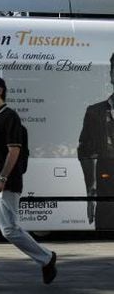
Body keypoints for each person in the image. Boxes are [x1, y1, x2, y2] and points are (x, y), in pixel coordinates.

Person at [0, 76, 56, 290]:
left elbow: (14, 151)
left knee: (10, 230)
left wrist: (2, 178)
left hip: (4, 184)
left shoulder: (10, 117)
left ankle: (47, 258)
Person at [78, 53, 114, 230]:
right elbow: (85, 150)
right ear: (111, 75)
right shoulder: (95, 112)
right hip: (106, 194)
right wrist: (90, 192)